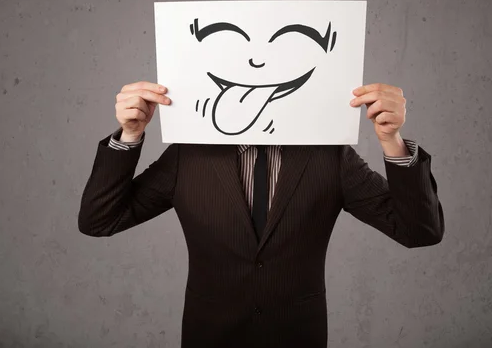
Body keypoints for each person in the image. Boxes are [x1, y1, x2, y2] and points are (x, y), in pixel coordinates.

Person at [78, 80, 444, 348]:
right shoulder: (189, 156)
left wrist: (391, 140)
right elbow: (100, 220)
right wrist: (130, 134)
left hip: (297, 335)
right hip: (210, 336)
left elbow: (419, 231)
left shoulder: (330, 157)